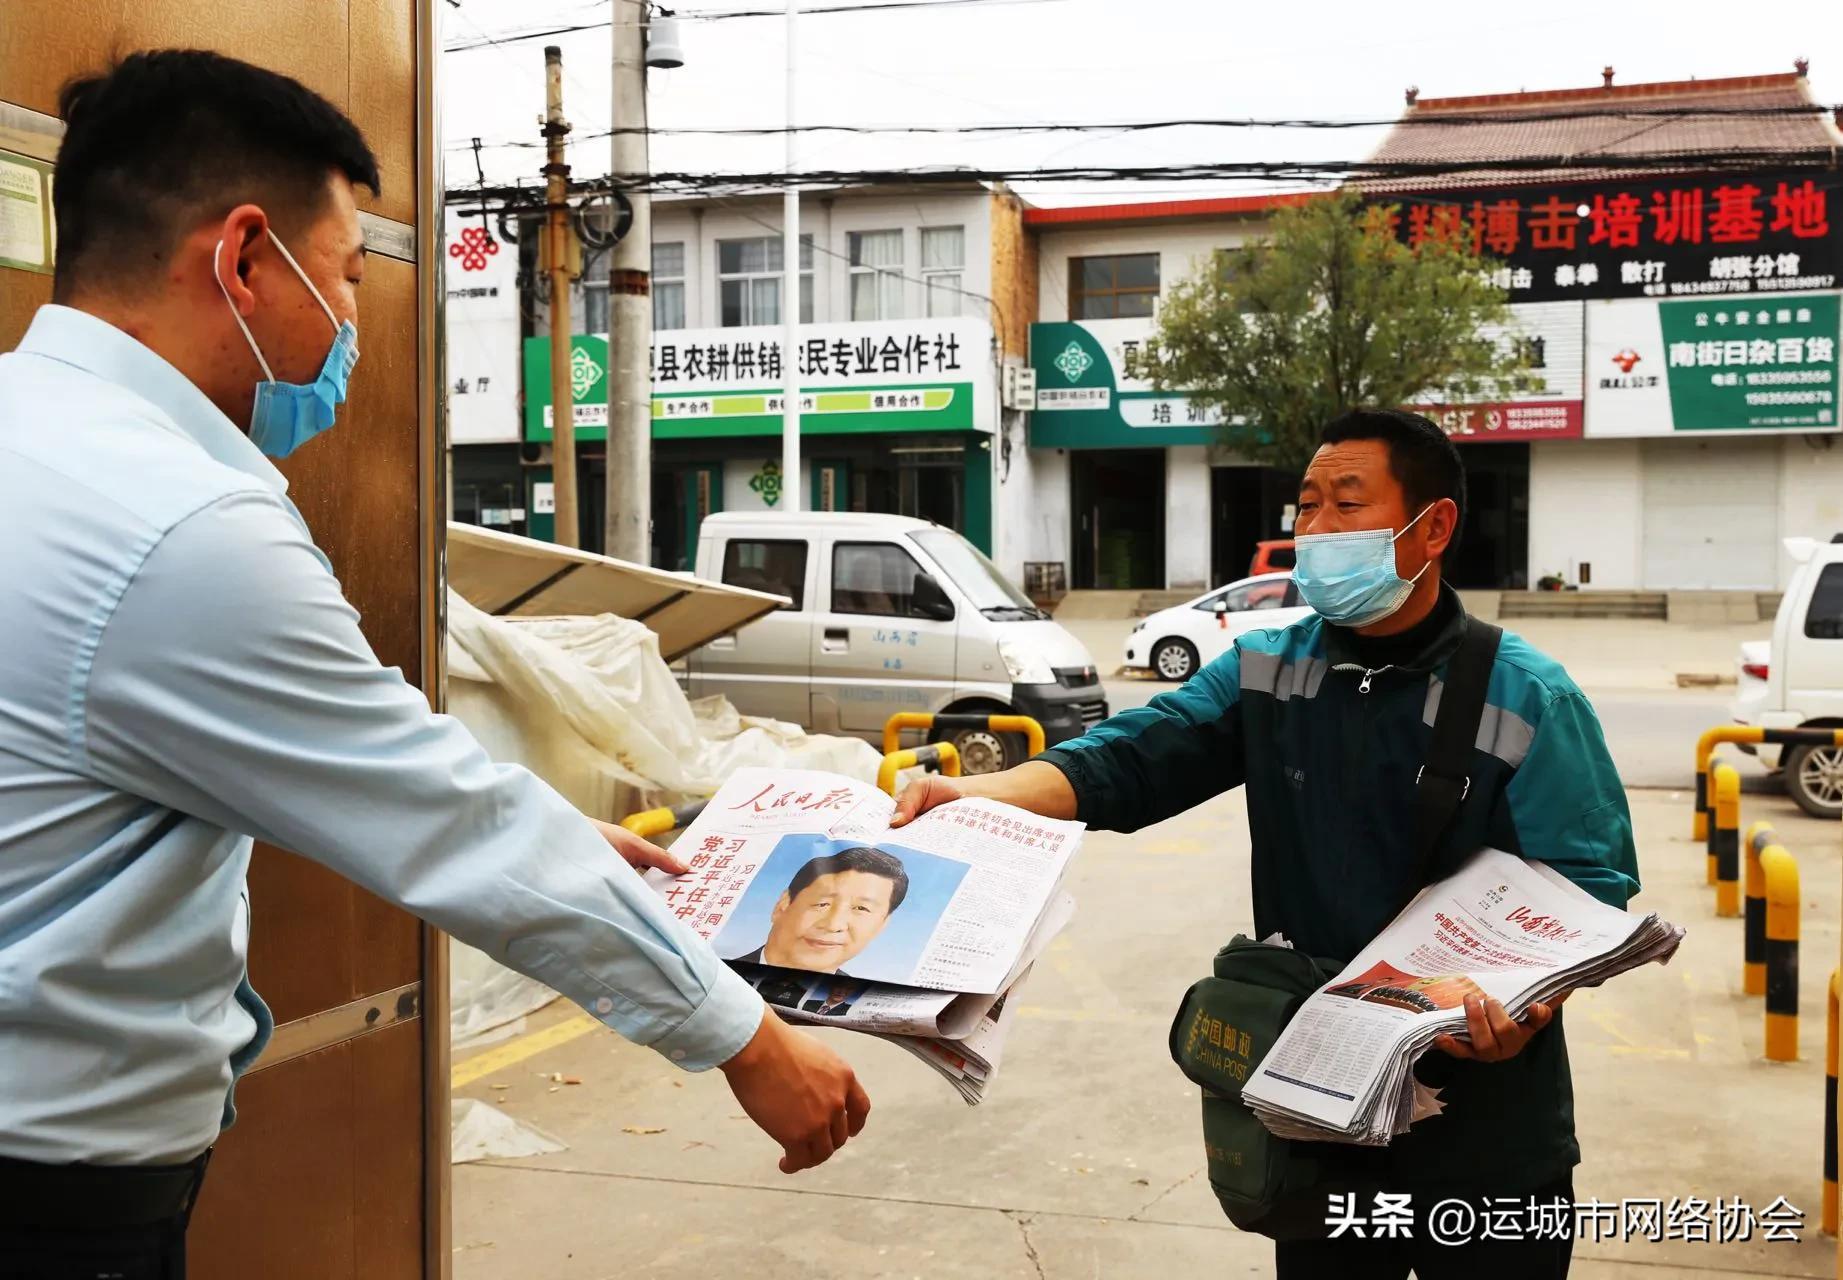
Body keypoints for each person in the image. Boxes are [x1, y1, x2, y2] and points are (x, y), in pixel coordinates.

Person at [0, 50, 867, 1273]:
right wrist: (746, 1040)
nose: (354, 320)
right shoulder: (184, 526)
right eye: (348, 273)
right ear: (246, 257)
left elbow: (205, 744)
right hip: (47, 1203)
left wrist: (556, 838)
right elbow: (459, 829)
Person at [894, 408, 1638, 1279]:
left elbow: (1585, 885)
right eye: (1306, 506)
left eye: (1344, 504)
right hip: (1313, 1104)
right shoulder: (1269, 667)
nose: (1314, 531)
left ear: (1431, 527)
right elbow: (1132, 756)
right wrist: (977, 793)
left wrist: (1523, 1005)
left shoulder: (1527, 694)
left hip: (1484, 1123)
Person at [731, 847, 908, 975]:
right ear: (783, 904)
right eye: (823, 904)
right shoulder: (723, 975)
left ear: (881, 925)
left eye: (861, 908)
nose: (833, 925)